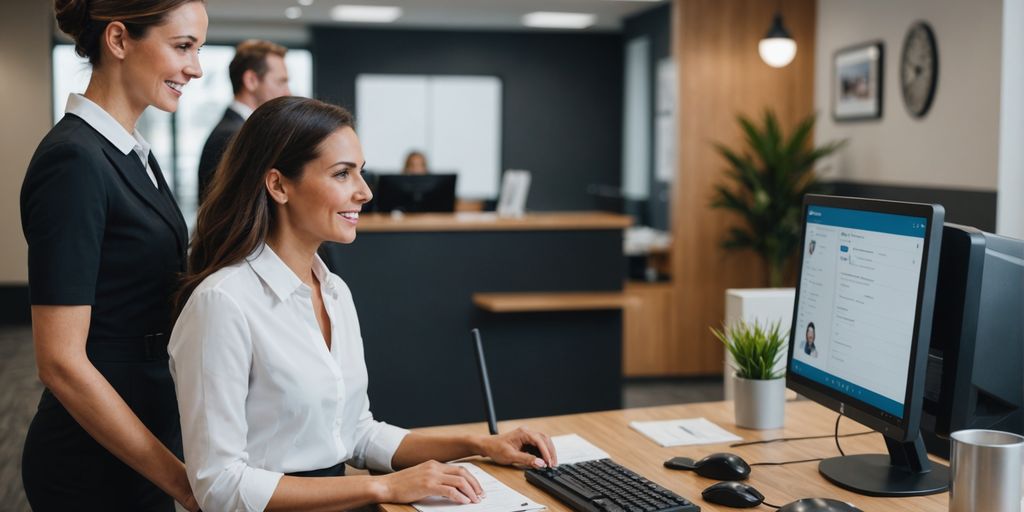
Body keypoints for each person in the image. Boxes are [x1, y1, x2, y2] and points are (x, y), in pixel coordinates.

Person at [169, 97, 558, 512]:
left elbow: (355, 432)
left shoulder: (334, 291)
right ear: (279, 185)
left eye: (361, 172)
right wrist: (384, 488)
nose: (365, 192)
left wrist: (478, 444)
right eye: (342, 174)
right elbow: (220, 488)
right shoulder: (222, 303)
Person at [20, 1, 207, 510]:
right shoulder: (74, 160)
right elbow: (59, 361)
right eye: (183, 46)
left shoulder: (129, 153)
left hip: (143, 428)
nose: (196, 67)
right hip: (93, 460)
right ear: (120, 40)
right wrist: (178, 481)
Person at [197, 39, 290, 203]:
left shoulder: (238, 130)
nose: (288, 92)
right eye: (280, 81)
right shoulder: (232, 136)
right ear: (251, 81)